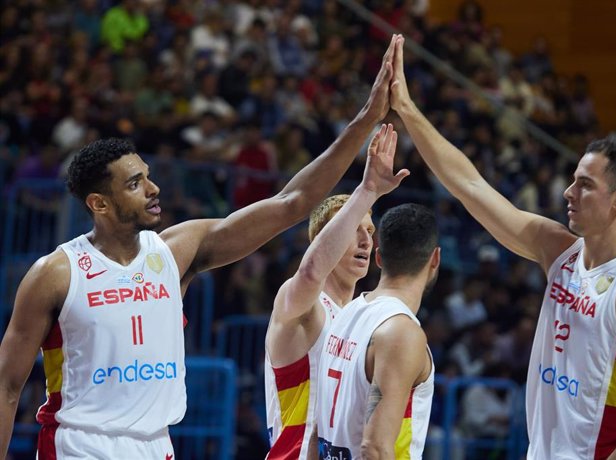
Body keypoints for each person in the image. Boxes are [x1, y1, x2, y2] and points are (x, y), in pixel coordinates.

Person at [0, 34, 401, 460]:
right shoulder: (56, 273)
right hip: (77, 446)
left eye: (148, 176)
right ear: (99, 203)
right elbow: (7, 386)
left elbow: (291, 203)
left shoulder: (176, 251)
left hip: (157, 446)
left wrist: (365, 121)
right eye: (135, 184)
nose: (153, 189)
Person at [388, 35, 616, 459]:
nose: (568, 192)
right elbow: (471, 187)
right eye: (572, 179)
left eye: (585, 185)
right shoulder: (558, 249)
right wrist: (407, 110)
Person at [265, 123, 408, 459]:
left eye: (370, 230)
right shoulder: (304, 307)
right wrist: (369, 190)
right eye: (354, 229)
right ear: (321, 241)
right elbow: (312, 271)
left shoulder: (363, 316)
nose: (365, 239)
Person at [316, 203, 439, 459]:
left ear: (379, 257)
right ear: (435, 259)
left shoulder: (346, 313)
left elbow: (316, 431)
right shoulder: (401, 332)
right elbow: (375, 448)